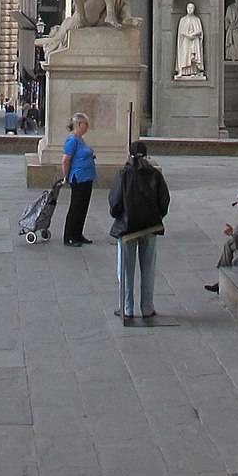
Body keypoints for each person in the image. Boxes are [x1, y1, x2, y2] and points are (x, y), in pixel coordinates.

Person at [107, 141, 170, 325]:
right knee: (148, 268)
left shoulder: (123, 174)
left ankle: (127, 308)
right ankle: (147, 308)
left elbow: (115, 201)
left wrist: (120, 216)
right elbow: (164, 200)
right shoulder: (155, 174)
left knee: (125, 269)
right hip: (150, 227)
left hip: (127, 228)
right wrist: (156, 215)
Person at [205, 188, 238, 292]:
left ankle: (222, 278)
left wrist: (231, 233)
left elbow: (237, 238)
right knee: (230, 243)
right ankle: (221, 279)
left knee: (229, 244)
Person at [59, 112, 96, 246]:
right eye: (86, 124)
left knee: (83, 207)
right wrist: (66, 177)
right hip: (78, 178)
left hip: (87, 177)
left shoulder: (80, 139)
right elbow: (65, 160)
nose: (88, 127)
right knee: (76, 207)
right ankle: (69, 236)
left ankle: (78, 233)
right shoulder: (72, 140)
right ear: (79, 124)